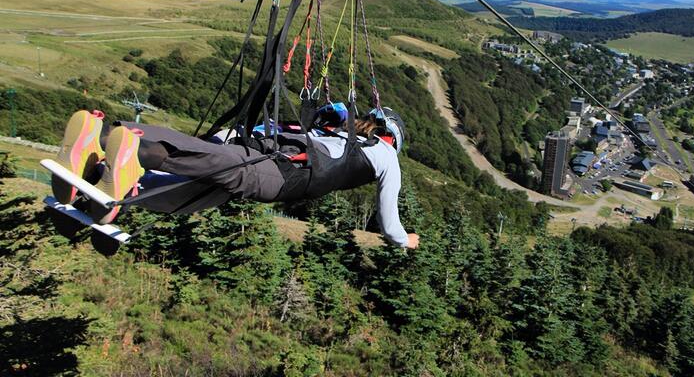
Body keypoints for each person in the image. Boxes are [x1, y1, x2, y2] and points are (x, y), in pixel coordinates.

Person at [52, 108, 420, 249]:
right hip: (277, 175)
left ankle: (106, 184)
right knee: (203, 162)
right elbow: (390, 225)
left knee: (201, 191)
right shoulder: (386, 157)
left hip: (265, 149)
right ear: (395, 139)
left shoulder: (339, 129)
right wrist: (406, 241)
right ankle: (119, 144)